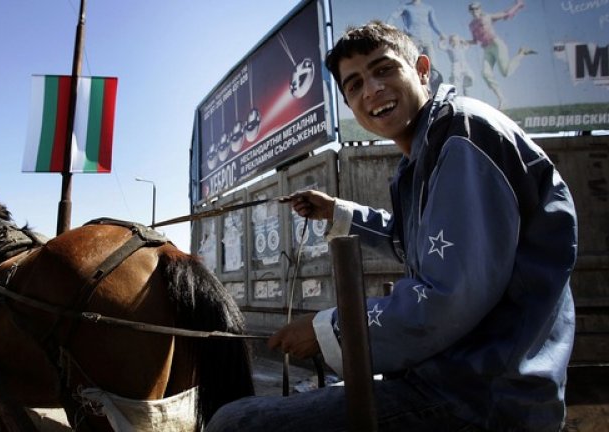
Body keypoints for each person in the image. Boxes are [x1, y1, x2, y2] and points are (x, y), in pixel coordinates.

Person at [205, 20, 577, 432]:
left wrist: (328, 330)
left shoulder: (462, 138)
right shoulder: (423, 156)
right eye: (355, 84)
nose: (372, 90)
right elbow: (410, 242)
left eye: (384, 70)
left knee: (233, 423)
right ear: (349, 104)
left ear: (421, 70)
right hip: (457, 378)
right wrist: (337, 211)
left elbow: (447, 297)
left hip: (480, 396)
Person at [467, 0, 534, 108]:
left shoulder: (487, 17)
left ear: (480, 9)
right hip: (486, 48)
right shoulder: (471, 25)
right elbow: (475, 41)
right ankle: (502, 100)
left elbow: (506, 14)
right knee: (485, 73)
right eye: (472, 9)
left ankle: (521, 54)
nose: (475, 11)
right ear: (470, 12)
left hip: (496, 44)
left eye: (477, 8)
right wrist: (463, 42)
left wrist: (517, 5)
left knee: (505, 72)